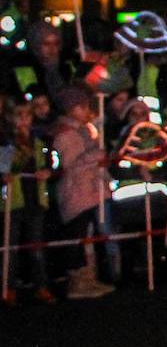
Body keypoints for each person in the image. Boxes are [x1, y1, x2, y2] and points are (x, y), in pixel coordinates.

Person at [48, 86, 113, 299]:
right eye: (82, 107)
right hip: (77, 191)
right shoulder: (65, 135)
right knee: (77, 236)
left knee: (87, 235)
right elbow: (70, 164)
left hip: (89, 190)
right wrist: (95, 155)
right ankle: (77, 282)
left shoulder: (82, 131)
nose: (87, 111)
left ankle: (89, 279)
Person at [2, 99, 55, 303]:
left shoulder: (39, 141)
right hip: (13, 201)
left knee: (36, 247)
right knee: (11, 248)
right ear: (11, 118)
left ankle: (41, 286)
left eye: (27, 116)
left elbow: (52, 164)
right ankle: (9, 288)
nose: (24, 120)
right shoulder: (6, 142)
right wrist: (4, 176)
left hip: (35, 199)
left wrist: (47, 171)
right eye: (19, 116)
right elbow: (3, 169)